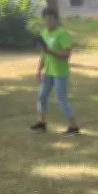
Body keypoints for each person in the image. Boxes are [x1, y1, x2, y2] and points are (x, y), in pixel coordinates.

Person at [29, 7, 81, 136]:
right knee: (41, 96)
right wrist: (39, 70)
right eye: (45, 20)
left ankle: (73, 127)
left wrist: (49, 51)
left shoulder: (62, 33)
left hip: (60, 73)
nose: (48, 22)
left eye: (51, 20)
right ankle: (42, 123)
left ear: (56, 20)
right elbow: (43, 54)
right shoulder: (44, 33)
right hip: (48, 72)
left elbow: (66, 55)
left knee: (60, 99)